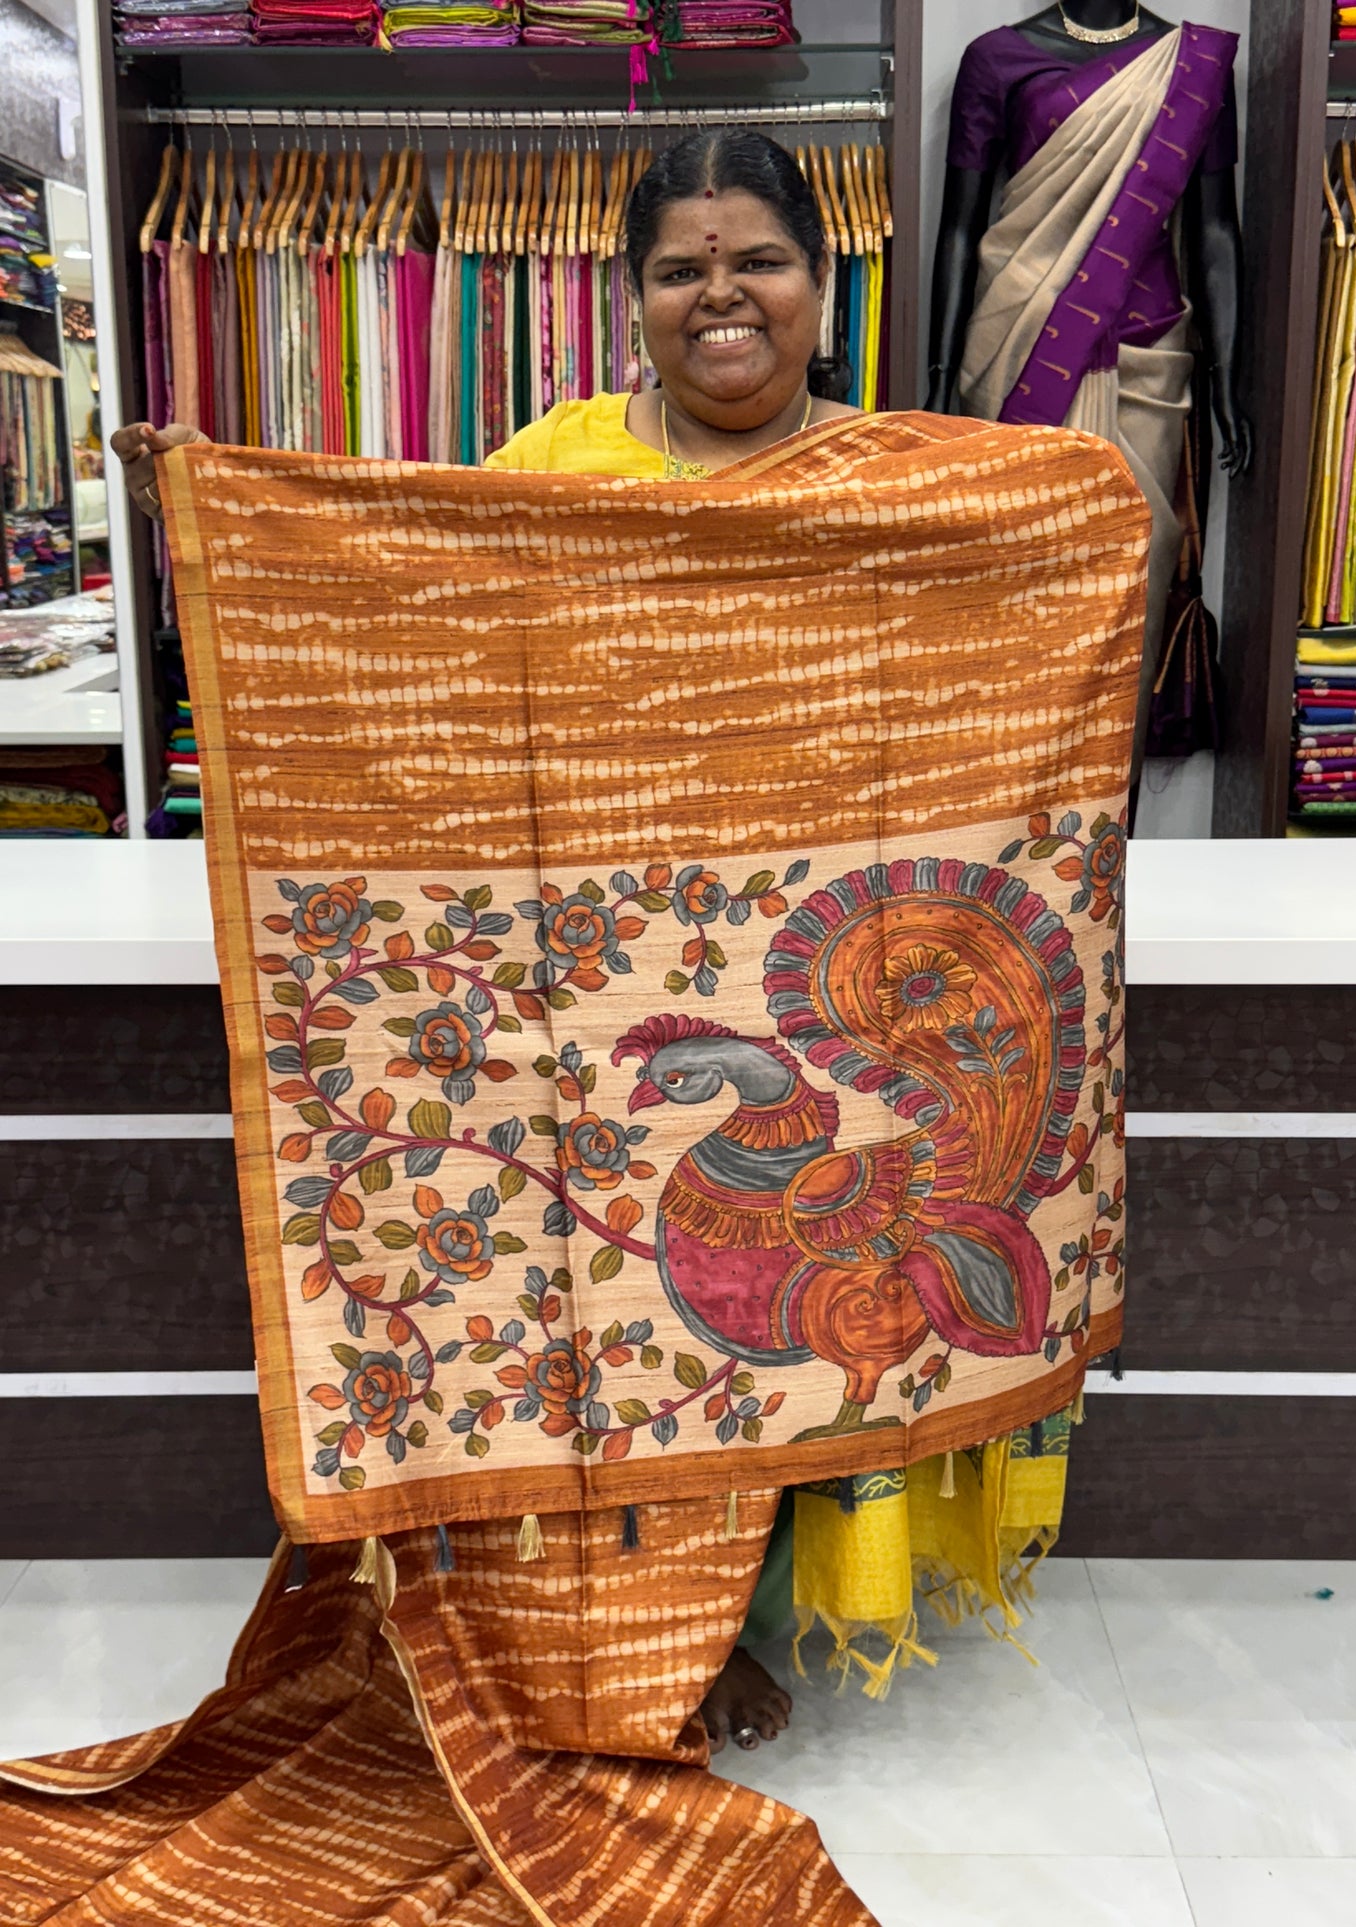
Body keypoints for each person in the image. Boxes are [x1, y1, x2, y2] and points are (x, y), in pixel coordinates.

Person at [112, 126, 863, 1759]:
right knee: (595, 1296)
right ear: (630, 294)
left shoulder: (889, 487)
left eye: (760, 262)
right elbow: (411, 619)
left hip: (793, 965)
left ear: (820, 279)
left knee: (767, 1297)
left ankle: (724, 1624)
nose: (721, 296)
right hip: (588, 972)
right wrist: (237, 511)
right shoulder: (554, 469)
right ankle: (559, 1616)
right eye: (681, 269)